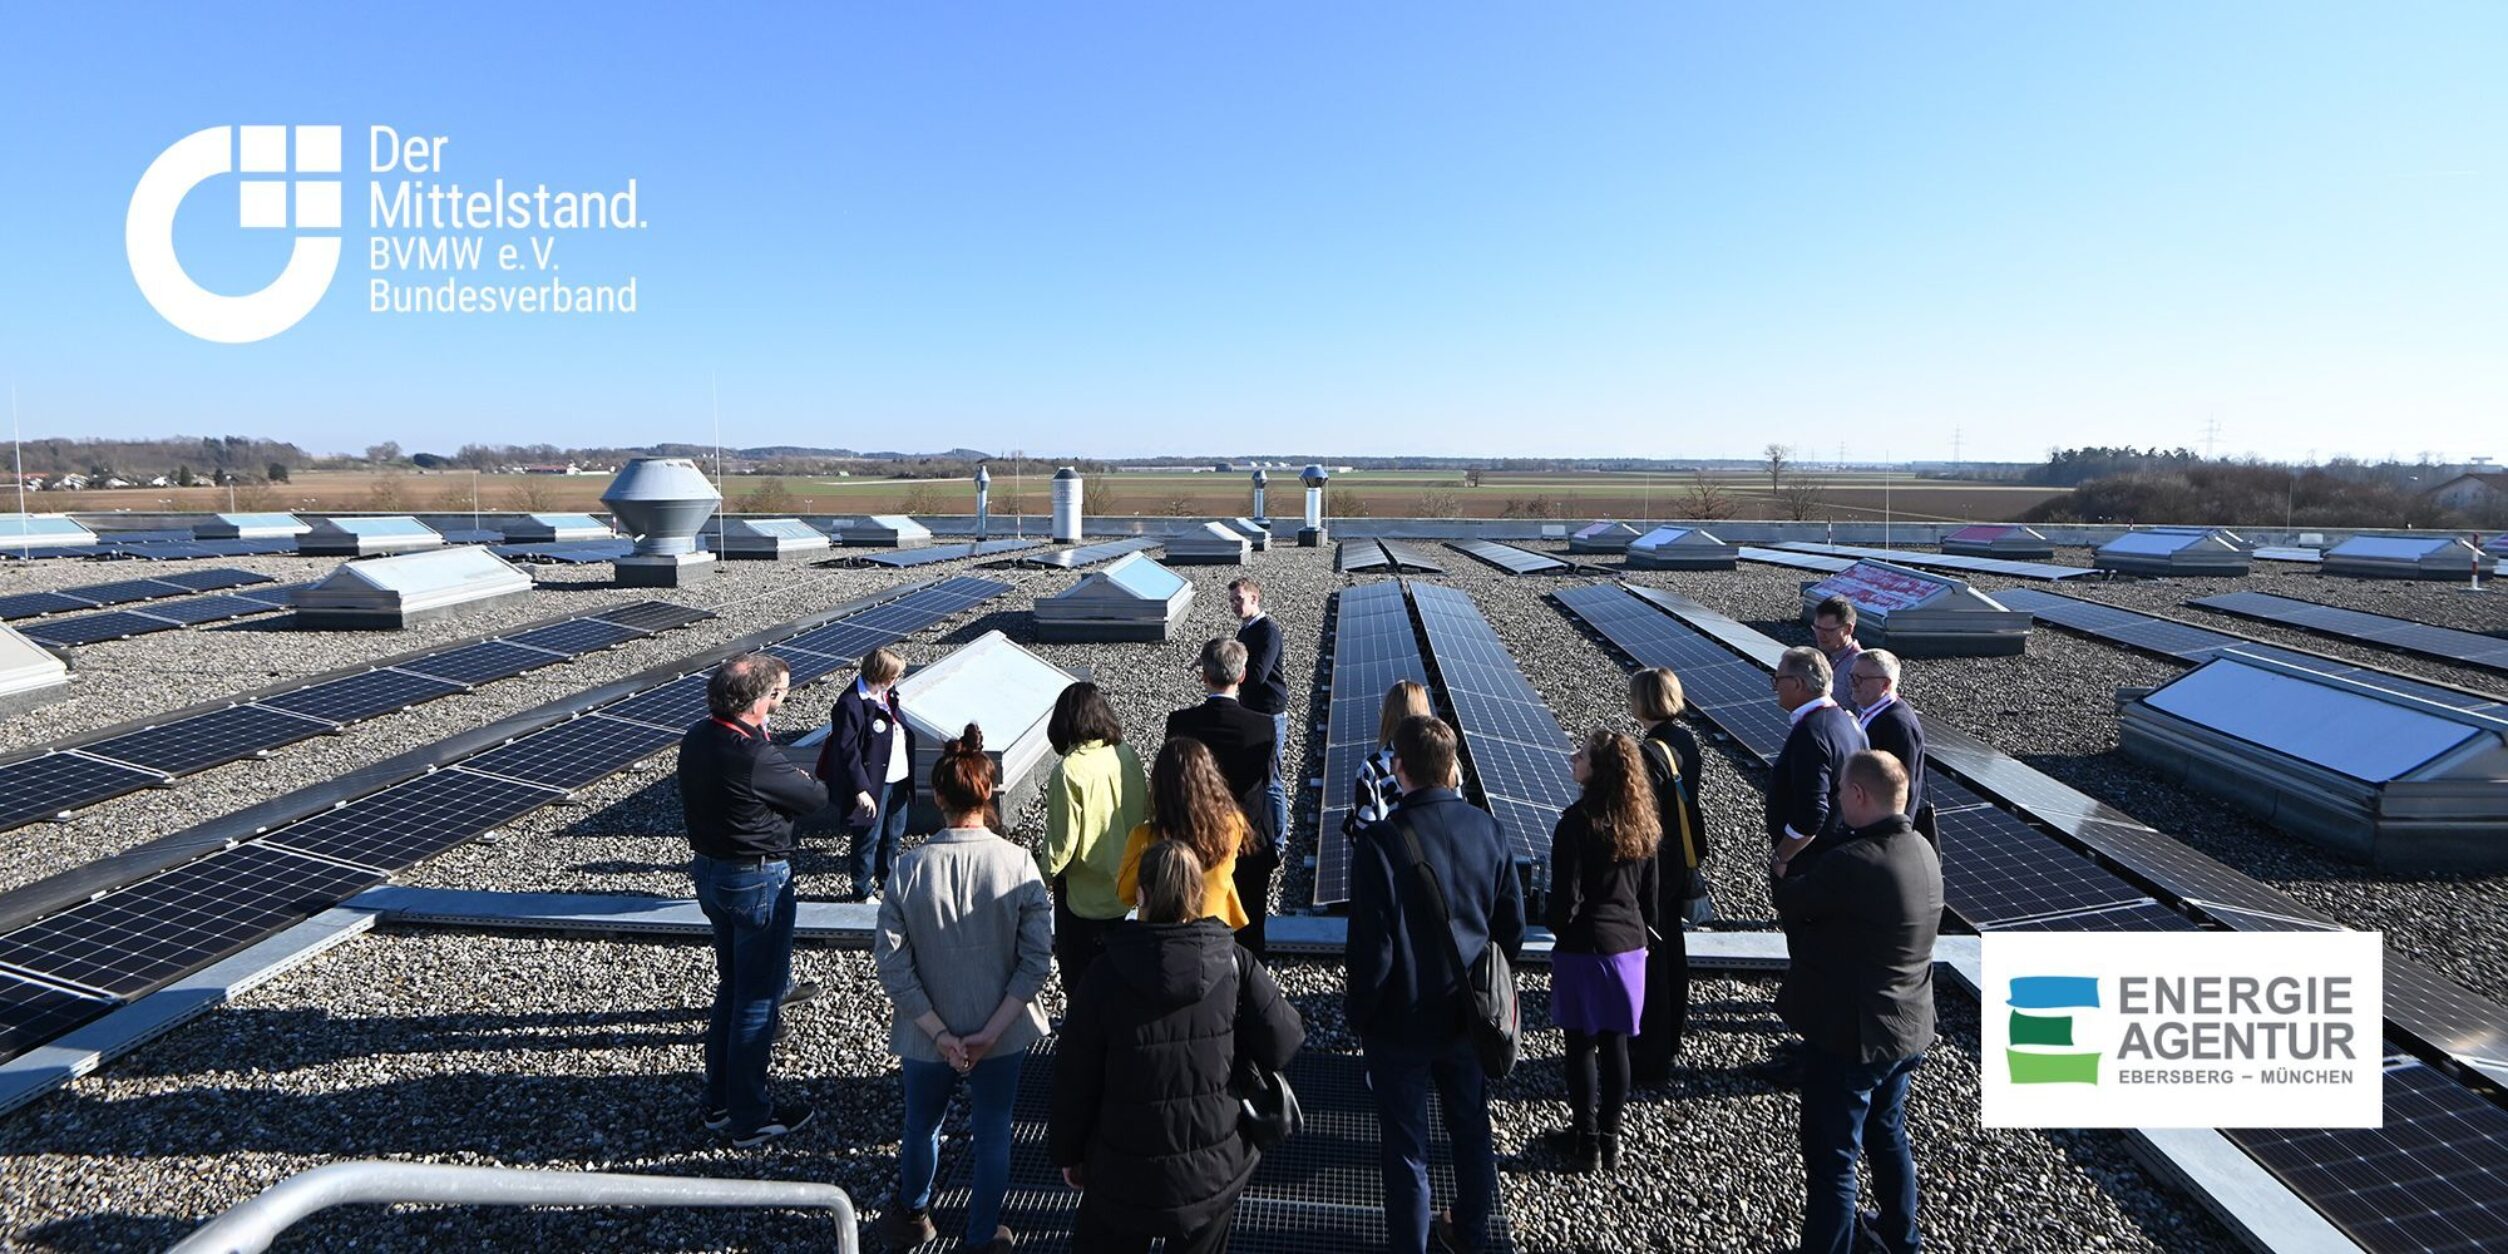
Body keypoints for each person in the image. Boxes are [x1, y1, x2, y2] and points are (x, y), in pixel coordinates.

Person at [1051, 839, 1307, 1254]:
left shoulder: (1104, 973)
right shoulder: (1233, 962)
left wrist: (1068, 1151)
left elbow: (1074, 1076)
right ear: (1198, 894)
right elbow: (1284, 1041)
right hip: (1212, 1168)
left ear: (1141, 895)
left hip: (1122, 1167)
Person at [1346, 715, 1526, 1254]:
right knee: (1470, 1127)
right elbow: (1511, 929)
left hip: (1399, 1020)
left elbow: (1373, 948)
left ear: (1398, 768)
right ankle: (1469, 1230)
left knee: (1407, 1149)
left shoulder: (1381, 842)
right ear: (1451, 767)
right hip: (1467, 1015)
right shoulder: (1488, 830)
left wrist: (1361, 1013)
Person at [873, 724, 1053, 1254]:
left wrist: (939, 1033)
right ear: (988, 792)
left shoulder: (908, 869)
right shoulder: (1018, 863)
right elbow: (1036, 961)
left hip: (927, 1030)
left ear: (938, 796)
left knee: (921, 1125)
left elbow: (892, 964)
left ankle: (914, 1213)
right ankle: (982, 1235)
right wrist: (991, 1032)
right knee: (993, 1131)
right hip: (1001, 1026)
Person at [1772, 750, 1944, 1254]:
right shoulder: (1922, 849)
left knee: (1833, 1161)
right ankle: (1899, 1236)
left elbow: (1793, 903)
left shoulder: (1854, 861)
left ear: (1859, 795)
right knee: (1888, 1133)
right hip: (1909, 1026)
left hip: (1853, 1035)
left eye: (1842, 790)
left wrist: (1780, 866)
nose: (1837, 799)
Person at [679, 653, 828, 1147]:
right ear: (759, 702)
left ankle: (719, 1101)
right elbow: (814, 798)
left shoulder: (698, 736)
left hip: (713, 873)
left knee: (732, 989)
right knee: (758, 999)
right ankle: (750, 1115)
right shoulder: (755, 755)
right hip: (756, 878)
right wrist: (805, 784)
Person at [1546, 729, 1661, 1175]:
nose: (1573, 758)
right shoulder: (1643, 822)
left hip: (1584, 947)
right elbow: (1650, 898)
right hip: (1629, 945)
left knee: (1579, 1046)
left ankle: (1585, 1139)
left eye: (1582, 755)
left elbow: (1566, 901)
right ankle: (1610, 1140)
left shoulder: (1576, 823)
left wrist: (1556, 927)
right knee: (1616, 1045)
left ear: (1598, 770)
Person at [1164, 637, 1279, 955]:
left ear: (1204, 675)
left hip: (1195, 836)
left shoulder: (1180, 723)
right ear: (1242, 675)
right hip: (1248, 838)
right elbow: (1267, 780)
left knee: (1194, 922)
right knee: (1250, 926)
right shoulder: (1263, 726)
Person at [1625, 668, 1707, 1083]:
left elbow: (1643, 816)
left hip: (1656, 864)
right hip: (1679, 861)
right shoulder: (1685, 741)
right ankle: (1670, 1036)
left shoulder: (1649, 752)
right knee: (1672, 949)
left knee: (1652, 954)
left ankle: (1649, 1051)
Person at [1038, 682, 1148, 990]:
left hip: (1083, 900)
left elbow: (1062, 846)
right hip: (1126, 888)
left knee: (1081, 985)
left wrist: (1040, 875)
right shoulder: (1126, 754)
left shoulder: (1069, 772)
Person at [1119, 738, 1254, 937]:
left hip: (1162, 940)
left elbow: (1125, 894)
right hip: (1215, 936)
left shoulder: (1143, 837)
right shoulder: (1233, 825)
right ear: (1211, 780)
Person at [819, 646, 916, 903]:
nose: (897, 680)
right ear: (880, 674)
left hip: (898, 776)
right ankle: (862, 891)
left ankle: (887, 881)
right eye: (894, 675)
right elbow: (847, 750)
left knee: (893, 834)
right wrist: (860, 788)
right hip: (873, 782)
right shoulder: (850, 704)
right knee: (867, 837)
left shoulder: (886, 694)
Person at [1767, 646, 1867, 879]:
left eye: (1777, 680)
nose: (1775, 687)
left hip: (1811, 861)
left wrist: (1783, 856)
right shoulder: (1847, 720)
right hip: (1839, 850)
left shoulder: (1811, 734)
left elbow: (1811, 813)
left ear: (1797, 684)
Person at [1229, 577, 1292, 873]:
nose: (1234, 605)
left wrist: (1226, 674)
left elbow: (1256, 675)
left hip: (1269, 713)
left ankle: (1278, 841)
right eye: (1232, 600)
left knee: (1272, 780)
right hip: (1252, 711)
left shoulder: (1268, 632)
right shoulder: (1246, 630)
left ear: (1255, 598)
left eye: (1239, 599)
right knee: (1255, 777)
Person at [1850, 650, 1933, 842]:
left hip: (1880, 836)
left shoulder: (1897, 725)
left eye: (1859, 679)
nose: (1853, 684)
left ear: (1885, 684)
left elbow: (1900, 789)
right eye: (1851, 677)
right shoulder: (1873, 711)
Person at [1346, 679, 1433, 833]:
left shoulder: (1371, 768)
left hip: (1391, 847)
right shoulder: (1446, 762)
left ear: (1387, 715)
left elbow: (1364, 833)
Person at [1810, 595, 1865, 712]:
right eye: (1817, 628)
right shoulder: (1820, 657)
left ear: (1848, 629)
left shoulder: (1861, 668)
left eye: (1828, 630)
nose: (1820, 635)